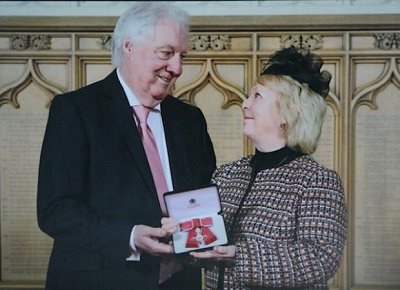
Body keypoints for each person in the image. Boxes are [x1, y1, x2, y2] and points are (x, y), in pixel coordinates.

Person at [37, 2, 216, 290]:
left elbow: (202, 198)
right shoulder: (76, 110)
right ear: (129, 47)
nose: (177, 68)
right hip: (100, 280)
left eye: (182, 56)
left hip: (179, 281)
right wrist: (129, 236)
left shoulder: (190, 119)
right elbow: (55, 211)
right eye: (167, 53)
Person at [162, 46, 347, 290]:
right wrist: (181, 235)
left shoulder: (317, 181)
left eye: (257, 96)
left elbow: (320, 258)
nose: (244, 104)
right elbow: (205, 247)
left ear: (289, 113)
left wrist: (237, 255)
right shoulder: (227, 174)